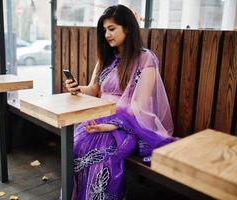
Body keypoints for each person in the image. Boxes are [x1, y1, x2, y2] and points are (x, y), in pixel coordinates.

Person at [63, 4, 175, 200]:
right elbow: (94, 90)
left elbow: (138, 105)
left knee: (98, 150)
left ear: (128, 28)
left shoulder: (145, 58)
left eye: (112, 28)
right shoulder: (106, 58)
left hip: (128, 125)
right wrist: (77, 88)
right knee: (75, 145)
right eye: (104, 30)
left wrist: (111, 125)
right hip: (98, 117)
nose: (107, 34)